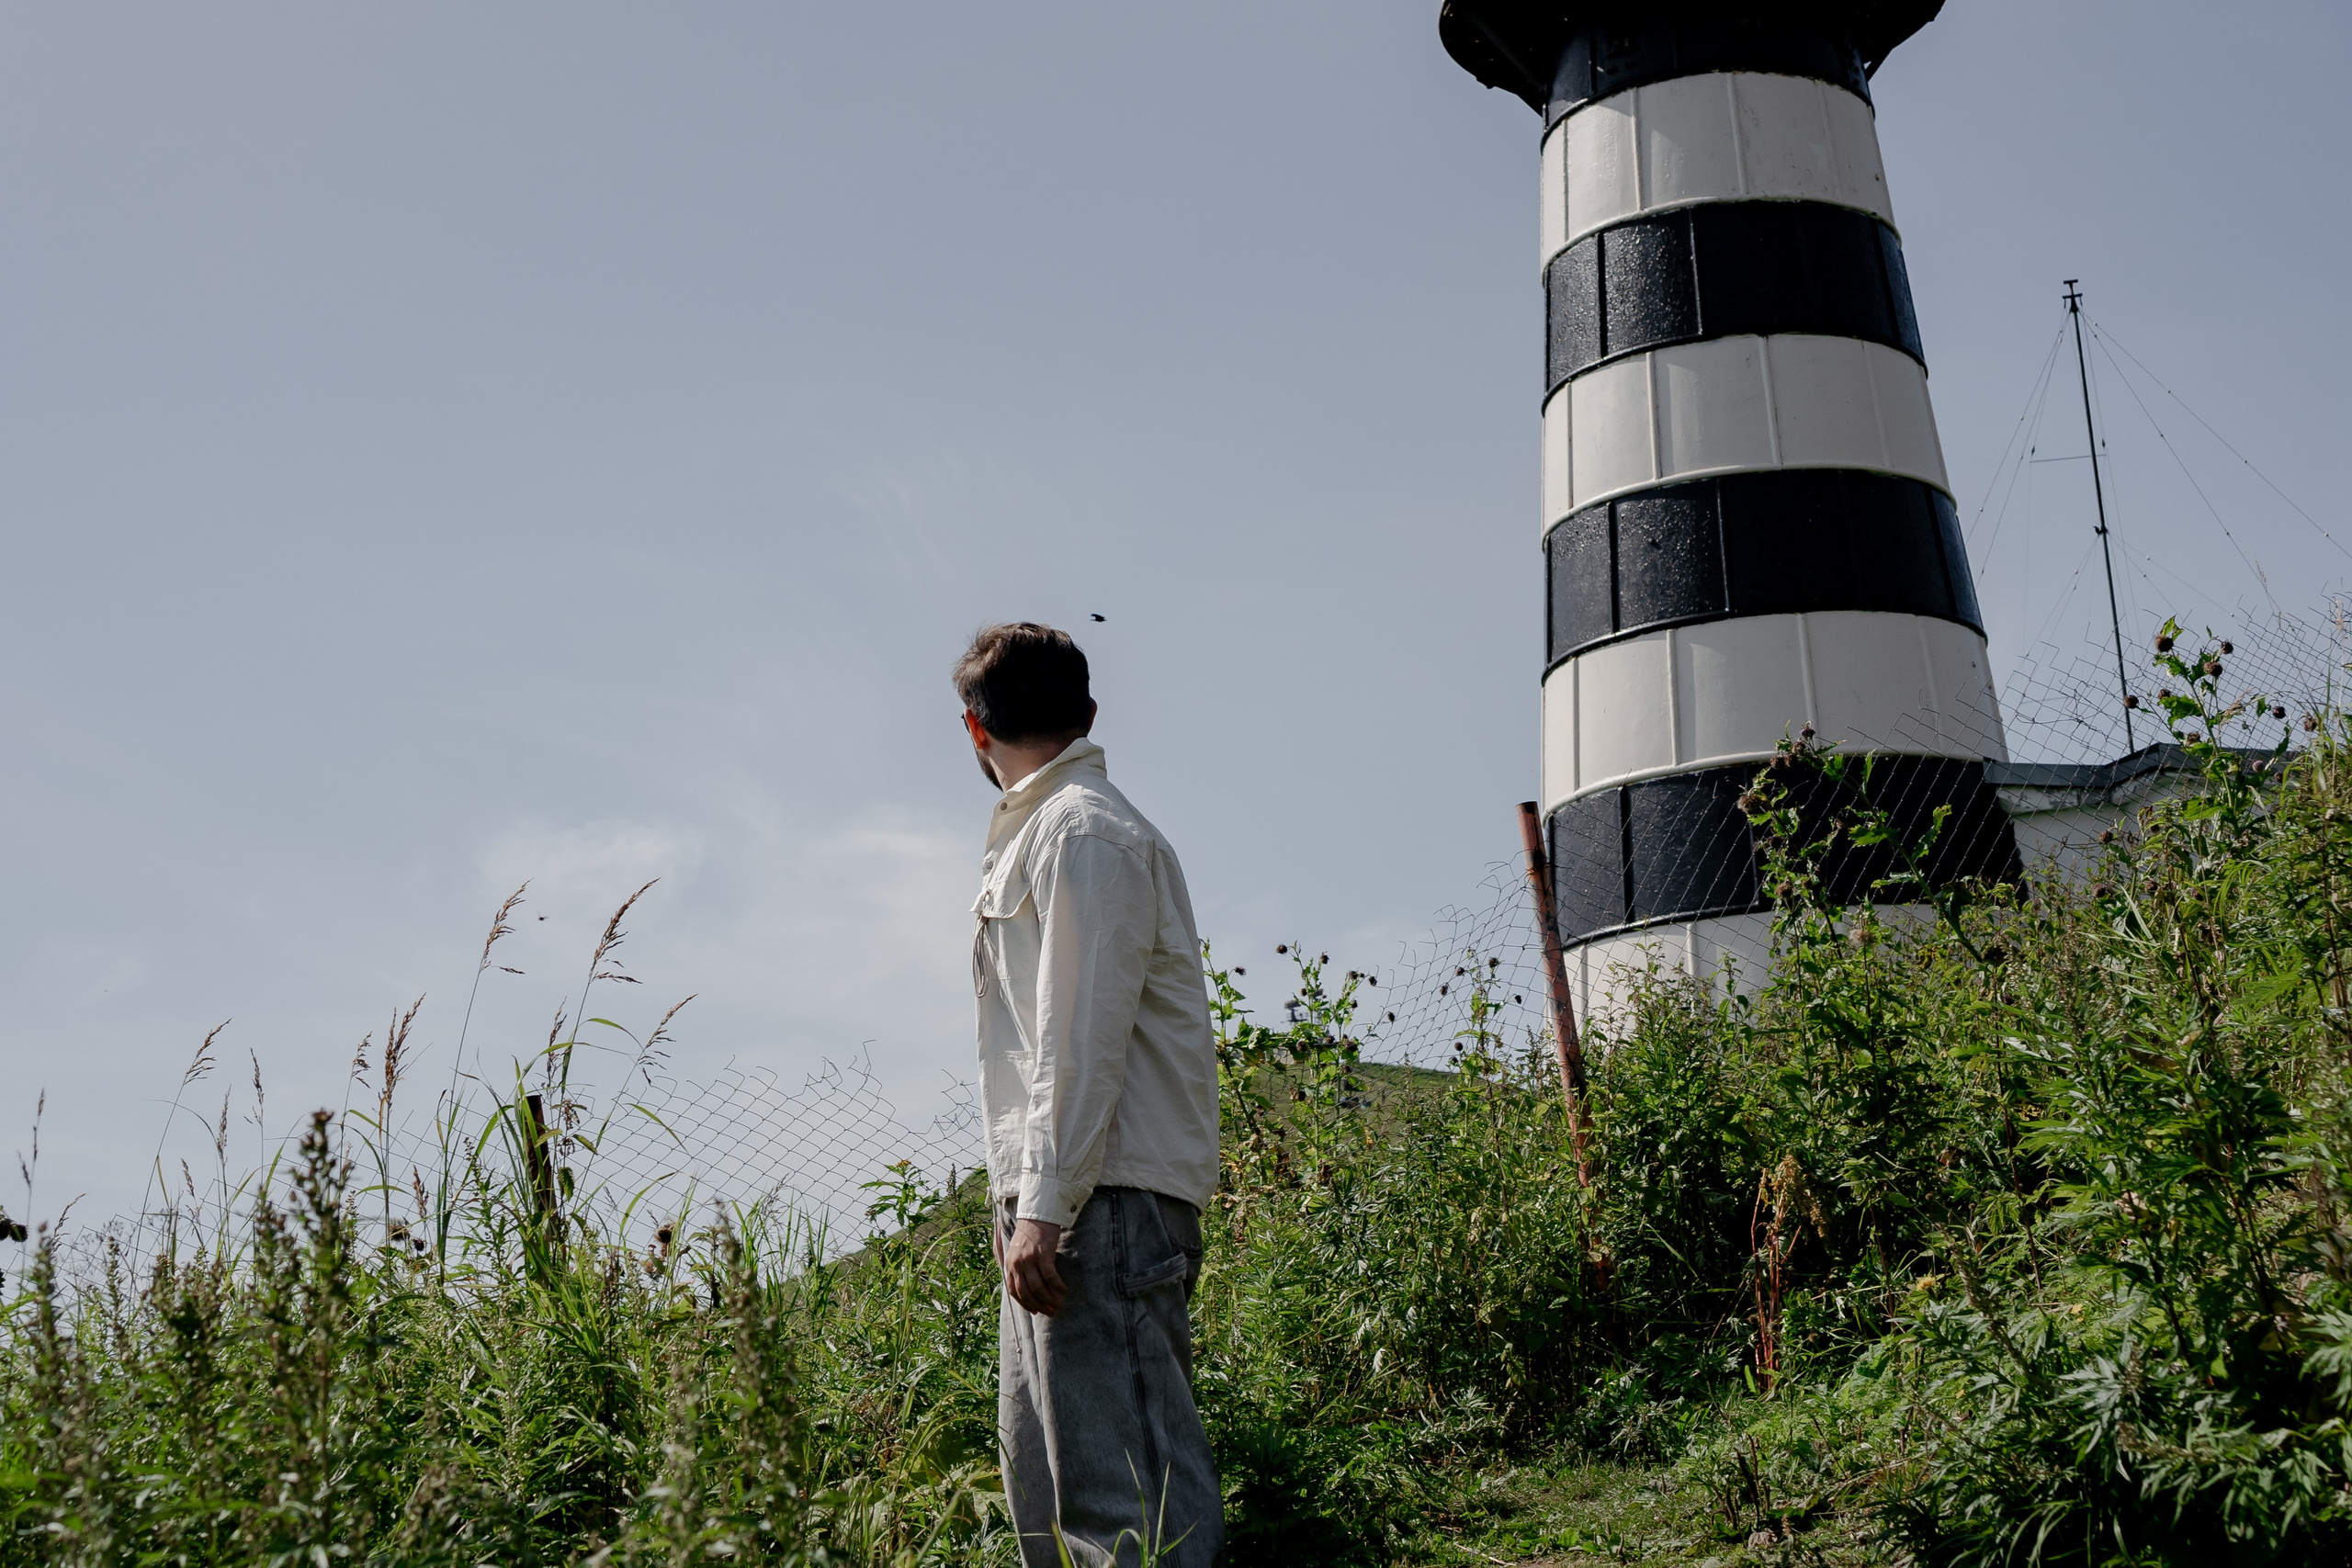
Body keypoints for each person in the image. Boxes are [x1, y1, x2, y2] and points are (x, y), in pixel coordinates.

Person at [955, 622, 1224, 1567]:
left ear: (973, 732)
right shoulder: (1057, 830)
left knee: (1124, 1496)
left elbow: (1079, 1039)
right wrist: (1028, 1202)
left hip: (1094, 1200)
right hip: (1064, 1197)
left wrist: (1042, 1206)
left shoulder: (1082, 832)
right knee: (1050, 1494)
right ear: (1089, 714)